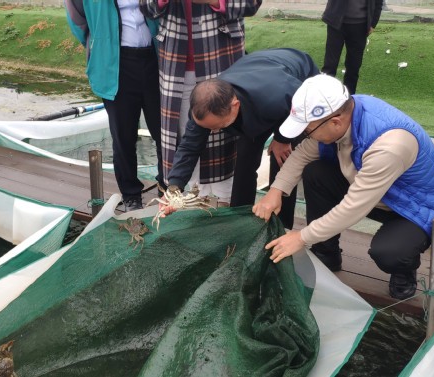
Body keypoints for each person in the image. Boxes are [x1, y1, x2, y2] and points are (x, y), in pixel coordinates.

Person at [253, 74, 434, 300]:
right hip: (376, 191)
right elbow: (303, 154)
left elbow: (353, 207)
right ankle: (326, 253)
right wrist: (275, 191)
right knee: (316, 172)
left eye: (308, 130)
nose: (306, 136)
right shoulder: (344, 113)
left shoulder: (389, 146)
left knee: (390, 253)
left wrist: (301, 238)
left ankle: (403, 270)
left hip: (414, 207)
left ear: (335, 122)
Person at [163, 48, 320, 229]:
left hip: (297, 85)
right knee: (245, 159)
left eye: (217, 127)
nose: (212, 132)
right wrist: (174, 189)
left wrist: (282, 138)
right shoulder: (204, 107)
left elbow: (300, 106)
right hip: (258, 81)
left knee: (283, 160)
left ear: (234, 106)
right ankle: (239, 221)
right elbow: (189, 148)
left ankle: (281, 226)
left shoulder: (278, 95)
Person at [139, 0, 262, 206]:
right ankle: (188, 200)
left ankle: (229, 203)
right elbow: (146, 7)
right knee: (185, 136)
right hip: (175, 61)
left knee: (227, 132)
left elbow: (251, 4)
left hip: (223, 54)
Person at [65, 0, 164, 211]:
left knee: (164, 130)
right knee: (123, 135)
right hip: (115, 63)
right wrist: (98, 43)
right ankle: (131, 195)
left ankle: (167, 186)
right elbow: (77, 19)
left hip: (154, 57)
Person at [321, 0, 383, 94]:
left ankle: (349, 99)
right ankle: (325, 97)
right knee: (330, 65)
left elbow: (378, 2)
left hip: (360, 25)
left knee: (353, 67)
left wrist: (373, 23)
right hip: (336, 22)